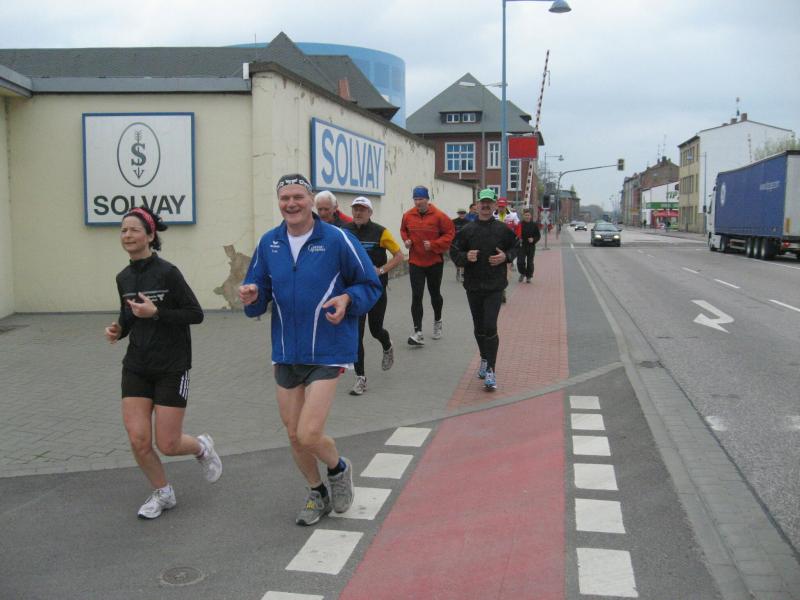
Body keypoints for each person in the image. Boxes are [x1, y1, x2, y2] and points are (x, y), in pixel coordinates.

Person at [239, 174, 382, 526]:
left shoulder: (337, 239)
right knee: (293, 434)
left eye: (298, 197)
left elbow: (370, 284)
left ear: (311, 199)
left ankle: (339, 468)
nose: (291, 204)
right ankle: (317, 491)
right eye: (284, 198)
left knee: (308, 433)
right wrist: (252, 297)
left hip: (328, 348)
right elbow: (258, 291)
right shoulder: (269, 242)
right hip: (286, 350)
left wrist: (348, 299)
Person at [104, 205, 222, 520]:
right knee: (138, 439)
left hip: (172, 366)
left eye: (134, 230)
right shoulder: (123, 277)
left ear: (149, 235)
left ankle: (201, 447)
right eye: (123, 230)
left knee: (168, 444)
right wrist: (118, 330)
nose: (127, 235)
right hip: (137, 366)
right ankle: (163, 492)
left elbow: (195, 314)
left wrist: (157, 312)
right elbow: (128, 316)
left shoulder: (168, 272)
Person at [450, 188, 519, 390]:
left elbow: (517, 246)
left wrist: (506, 257)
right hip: (473, 286)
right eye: (483, 202)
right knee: (479, 327)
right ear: (478, 205)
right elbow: (454, 251)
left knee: (490, 326)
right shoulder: (467, 230)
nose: (486, 205)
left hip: (495, 286)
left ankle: (491, 370)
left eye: (490, 202)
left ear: (495, 205)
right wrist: (465, 257)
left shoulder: (502, 229)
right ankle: (484, 357)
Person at [343, 196, 405, 395]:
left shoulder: (381, 232)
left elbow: (399, 256)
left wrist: (381, 270)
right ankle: (360, 378)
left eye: (362, 209)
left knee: (375, 329)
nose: (358, 212)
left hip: (375, 289)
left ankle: (387, 345)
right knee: (357, 335)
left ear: (370, 212)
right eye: (355, 209)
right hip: (355, 291)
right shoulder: (345, 231)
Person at [400, 185, 455, 346]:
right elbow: (403, 230)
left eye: (421, 199)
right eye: (415, 199)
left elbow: (450, 234)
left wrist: (434, 244)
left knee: (434, 294)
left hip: (434, 262)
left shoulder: (439, 216)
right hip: (415, 262)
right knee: (417, 296)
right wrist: (406, 240)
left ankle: (438, 321)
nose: (418, 202)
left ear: (427, 199)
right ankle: (418, 332)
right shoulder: (408, 215)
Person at [517, 208, 541, 283]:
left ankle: (529, 277)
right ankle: (523, 273)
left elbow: (538, 236)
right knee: (520, 262)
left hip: (531, 246)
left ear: (530, 216)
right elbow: (515, 234)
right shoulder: (520, 224)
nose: (527, 216)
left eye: (528, 215)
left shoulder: (534, 225)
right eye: (526, 215)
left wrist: (533, 239)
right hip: (522, 245)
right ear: (523, 216)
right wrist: (518, 239)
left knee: (530, 262)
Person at [452, 209, 470, 282]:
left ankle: (463, 274)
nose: (462, 214)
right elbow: (450, 231)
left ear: (465, 214)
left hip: (465, 242)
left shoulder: (468, 222)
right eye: (460, 213)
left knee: (463, 258)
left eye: (463, 213)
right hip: (455, 242)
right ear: (458, 214)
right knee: (456, 258)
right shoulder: (453, 221)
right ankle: (458, 269)